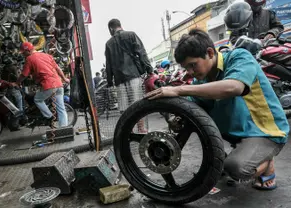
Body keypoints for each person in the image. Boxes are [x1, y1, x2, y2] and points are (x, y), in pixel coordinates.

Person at [145, 29, 289, 190]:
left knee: (235, 168)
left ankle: (267, 165)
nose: (190, 72)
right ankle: (233, 158)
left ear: (210, 53)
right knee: (191, 117)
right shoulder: (202, 81)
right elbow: (191, 104)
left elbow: (234, 87)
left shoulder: (239, 57)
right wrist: (174, 115)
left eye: (193, 65)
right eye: (187, 68)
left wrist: (179, 90)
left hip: (266, 132)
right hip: (238, 132)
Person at [16, 42, 70, 127]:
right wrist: (64, 79)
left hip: (48, 85)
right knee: (61, 108)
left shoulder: (30, 59)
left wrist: (16, 82)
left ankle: (49, 117)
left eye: (23, 52)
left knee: (38, 100)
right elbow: (58, 68)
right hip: (58, 84)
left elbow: (24, 75)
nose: (23, 54)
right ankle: (64, 128)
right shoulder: (47, 55)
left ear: (28, 50)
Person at [105, 18, 153, 114]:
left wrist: (110, 82)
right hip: (134, 75)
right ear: (120, 26)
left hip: (119, 80)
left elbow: (108, 65)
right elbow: (141, 53)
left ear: (111, 29)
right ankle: (141, 128)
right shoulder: (131, 35)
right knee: (137, 105)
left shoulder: (109, 43)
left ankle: (127, 128)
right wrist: (149, 69)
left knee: (124, 109)